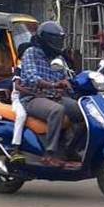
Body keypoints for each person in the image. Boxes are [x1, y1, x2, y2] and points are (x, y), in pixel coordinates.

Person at [20, 21, 84, 169]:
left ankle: (70, 149)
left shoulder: (58, 58)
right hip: (34, 98)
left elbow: (66, 77)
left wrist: (68, 83)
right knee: (57, 110)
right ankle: (50, 154)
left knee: (83, 111)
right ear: (45, 40)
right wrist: (54, 85)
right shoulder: (31, 53)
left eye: (59, 40)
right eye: (55, 40)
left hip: (55, 97)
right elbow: (31, 78)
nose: (58, 44)